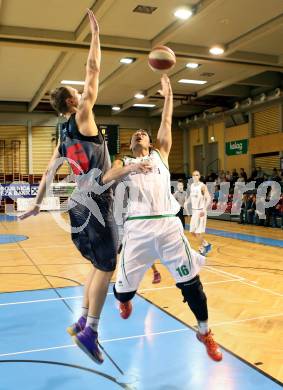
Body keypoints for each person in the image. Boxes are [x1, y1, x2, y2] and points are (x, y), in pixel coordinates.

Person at [20, 10, 117, 365]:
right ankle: (91, 331)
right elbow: (93, 70)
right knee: (107, 266)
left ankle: (81, 320)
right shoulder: (82, 116)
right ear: (73, 103)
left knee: (98, 264)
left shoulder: (63, 136)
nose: (83, 91)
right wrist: (95, 35)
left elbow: (47, 174)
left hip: (78, 203)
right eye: (78, 93)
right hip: (97, 201)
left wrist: (35, 204)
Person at [103, 74, 222, 362]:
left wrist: (169, 96)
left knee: (192, 285)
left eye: (143, 133)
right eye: (135, 135)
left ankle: (204, 331)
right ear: (131, 145)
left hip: (169, 226)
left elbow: (166, 124)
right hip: (138, 231)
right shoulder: (125, 161)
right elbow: (107, 176)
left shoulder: (160, 155)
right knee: (121, 293)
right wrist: (132, 169)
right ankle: (125, 300)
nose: (140, 135)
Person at [186, 171, 212, 256]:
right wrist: (186, 202)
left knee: (198, 232)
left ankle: (201, 249)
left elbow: (208, 198)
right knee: (192, 232)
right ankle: (206, 244)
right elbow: (191, 196)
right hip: (194, 211)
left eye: (197, 175)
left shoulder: (202, 186)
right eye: (193, 175)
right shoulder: (192, 186)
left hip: (201, 211)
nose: (195, 176)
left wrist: (204, 209)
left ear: (199, 176)